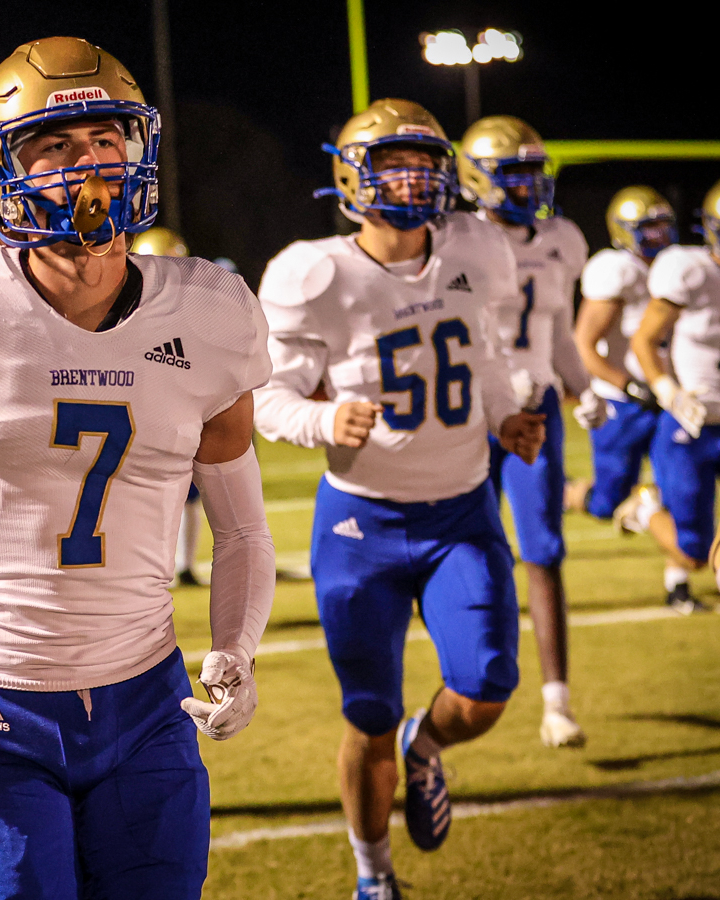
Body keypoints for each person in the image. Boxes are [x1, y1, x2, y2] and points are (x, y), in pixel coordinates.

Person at [0, 37, 276, 899]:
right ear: (2, 168)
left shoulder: (213, 311)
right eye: (56, 146)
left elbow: (243, 525)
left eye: (106, 139)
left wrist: (239, 647)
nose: (89, 166)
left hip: (149, 701)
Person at [254, 99, 545, 900]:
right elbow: (263, 397)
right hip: (362, 521)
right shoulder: (315, 272)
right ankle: (374, 873)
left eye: (423, 162)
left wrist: (505, 415)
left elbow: (484, 355)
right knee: (368, 711)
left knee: (486, 689)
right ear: (352, 176)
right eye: (392, 164)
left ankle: (428, 744)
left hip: (462, 510)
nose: (412, 179)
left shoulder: (476, 249)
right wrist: (320, 416)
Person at [456, 115, 603, 748]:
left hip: (537, 406)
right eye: (513, 174)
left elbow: (561, 333)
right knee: (467, 548)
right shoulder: (453, 238)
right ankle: (469, 681)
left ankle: (556, 700)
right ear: (478, 180)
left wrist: (584, 386)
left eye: (532, 173)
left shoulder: (561, 239)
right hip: (466, 411)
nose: (528, 186)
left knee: (543, 551)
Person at [623, 178, 720, 614]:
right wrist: (669, 392)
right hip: (691, 424)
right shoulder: (691, 270)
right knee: (694, 554)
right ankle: (645, 509)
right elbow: (644, 340)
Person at [568, 187, 678, 522]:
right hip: (622, 400)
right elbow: (583, 344)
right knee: (607, 503)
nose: (657, 235)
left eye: (662, 225)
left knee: (681, 486)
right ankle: (567, 491)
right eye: (648, 227)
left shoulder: (677, 266)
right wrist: (629, 385)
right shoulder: (617, 269)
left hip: (665, 394)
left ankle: (677, 568)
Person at [131, 225, 209, 587]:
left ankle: (182, 565)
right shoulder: (128, 318)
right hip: (141, 420)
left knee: (189, 495)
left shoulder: (195, 315)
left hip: (182, 415)